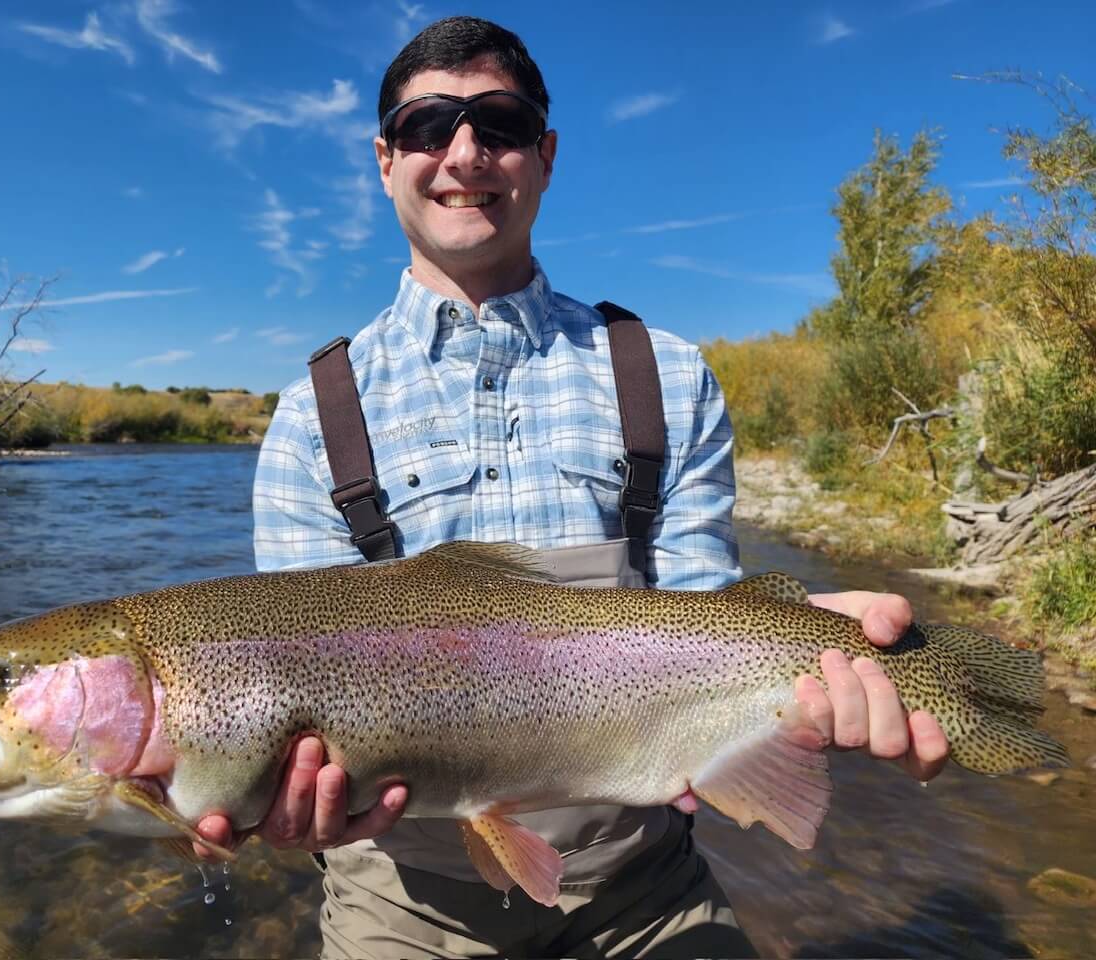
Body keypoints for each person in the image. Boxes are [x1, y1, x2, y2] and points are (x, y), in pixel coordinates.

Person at [196, 16, 949, 957]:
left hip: (646, 888)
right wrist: (256, 793)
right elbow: (293, 681)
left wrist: (811, 648)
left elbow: (703, 619)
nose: (464, 154)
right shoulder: (315, 412)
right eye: (427, 127)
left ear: (545, 157)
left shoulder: (664, 373)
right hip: (405, 903)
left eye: (500, 124)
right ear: (385, 160)